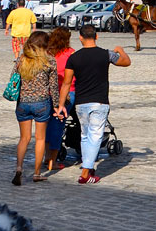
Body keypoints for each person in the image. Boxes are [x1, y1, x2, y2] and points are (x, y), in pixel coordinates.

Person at [56, 24, 132, 184]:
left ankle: (87, 166)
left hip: (81, 103)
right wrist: (120, 50)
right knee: (96, 135)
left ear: (80, 38)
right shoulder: (105, 55)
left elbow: (66, 83)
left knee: (85, 136)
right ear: (96, 37)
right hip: (100, 101)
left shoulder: (74, 58)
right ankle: (86, 172)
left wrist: (61, 104)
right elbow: (126, 62)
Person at [10, 29, 60, 185]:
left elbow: (13, 80)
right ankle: (37, 173)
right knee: (40, 139)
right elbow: (53, 87)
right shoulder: (50, 61)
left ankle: (19, 168)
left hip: (23, 103)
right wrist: (57, 106)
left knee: (24, 138)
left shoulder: (21, 60)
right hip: (42, 103)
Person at [44, 27, 75, 172]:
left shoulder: (47, 53)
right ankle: (53, 161)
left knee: (46, 126)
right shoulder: (70, 53)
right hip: (68, 92)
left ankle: (45, 156)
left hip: (49, 92)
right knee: (58, 125)